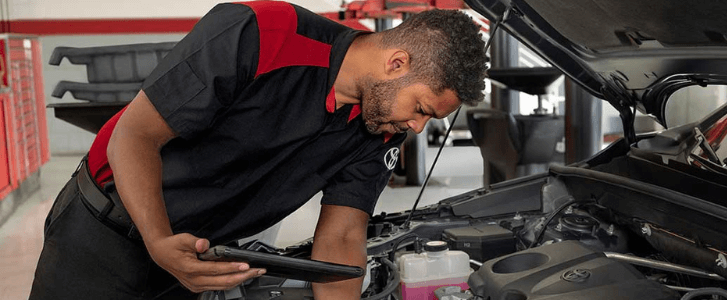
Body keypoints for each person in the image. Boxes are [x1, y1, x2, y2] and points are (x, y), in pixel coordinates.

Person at [29, 1, 488, 299]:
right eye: (422, 108)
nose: (416, 125)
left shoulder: (380, 129)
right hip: (106, 233)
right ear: (396, 63)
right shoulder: (262, 34)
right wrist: (158, 242)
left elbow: (343, 236)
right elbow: (135, 135)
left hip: (198, 257)